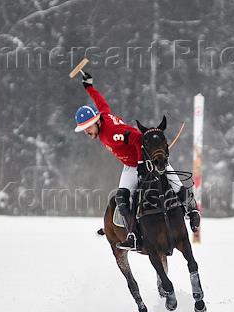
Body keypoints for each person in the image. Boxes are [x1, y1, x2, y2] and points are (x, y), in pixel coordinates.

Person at [74, 72, 200, 251]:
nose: (86, 132)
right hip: (131, 164)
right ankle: (132, 234)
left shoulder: (111, 134)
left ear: (96, 122)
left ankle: (192, 211)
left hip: (142, 162)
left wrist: (142, 163)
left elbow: (136, 138)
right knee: (121, 197)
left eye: (87, 128)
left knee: (177, 185)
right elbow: (101, 102)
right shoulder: (103, 115)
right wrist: (89, 86)